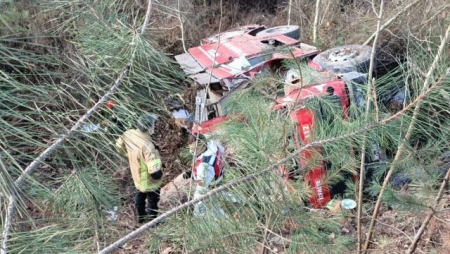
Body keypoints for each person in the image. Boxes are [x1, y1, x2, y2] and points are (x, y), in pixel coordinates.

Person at [115, 113, 163, 223]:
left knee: (139, 195)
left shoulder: (129, 134)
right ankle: (152, 221)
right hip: (148, 178)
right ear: (148, 127)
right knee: (152, 199)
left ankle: (140, 217)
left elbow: (118, 145)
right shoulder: (147, 145)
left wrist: (129, 155)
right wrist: (158, 173)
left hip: (136, 173)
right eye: (152, 125)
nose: (153, 126)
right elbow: (153, 167)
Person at [184, 134, 226, 217]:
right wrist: (192, 172)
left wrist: (197, 204)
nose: (191, 152)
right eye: (190, 149)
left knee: (210, 210)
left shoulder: (205, 165)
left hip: (211, 186)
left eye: (194, 149)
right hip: (218, 177)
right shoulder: (213, 145)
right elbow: (222, 151)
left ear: (203, 145)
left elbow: (202, 186)